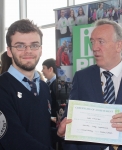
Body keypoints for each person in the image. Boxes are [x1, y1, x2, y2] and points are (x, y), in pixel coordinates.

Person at [57, 19, 122, 150]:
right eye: (92, 42)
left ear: (119, 45)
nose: (94, 48)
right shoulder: (82, 77)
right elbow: (69, 122)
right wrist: (63, 132)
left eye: (101, 42)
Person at [0, 19, 70, 150]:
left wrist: (57, 133)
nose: (28, 51)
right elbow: (14, 140)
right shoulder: (3, 88)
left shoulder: (43, 88)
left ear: (41, 49)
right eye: (20, 45)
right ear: (9, 51)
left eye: (34, 45)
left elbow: (40, 132)